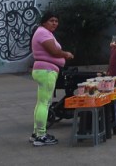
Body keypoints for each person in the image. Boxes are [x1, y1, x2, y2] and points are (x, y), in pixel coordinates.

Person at [31, 10, 73, 146]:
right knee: (45, 103)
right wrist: (65, 54)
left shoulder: (44, 32)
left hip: (44, 70)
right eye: (51, 20)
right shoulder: (43, 32)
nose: (54, 23)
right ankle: (41, 135)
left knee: (41, 102)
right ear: (44, 21)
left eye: (56, 21)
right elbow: (53, 51)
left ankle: (36, 132)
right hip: (47, 71)